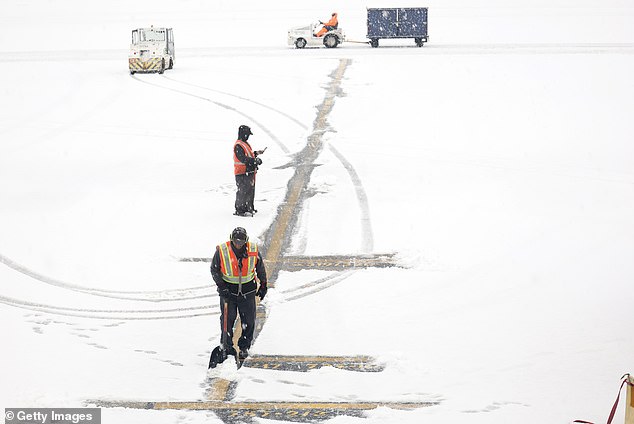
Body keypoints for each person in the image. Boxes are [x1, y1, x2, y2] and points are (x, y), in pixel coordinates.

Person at [210, 227, 267, 364]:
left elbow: (260, 268)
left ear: (245, 241)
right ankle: (227, 346)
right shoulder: (222, 251)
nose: (238, 244)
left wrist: (263, 285)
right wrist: (222, 286)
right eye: (236, 241)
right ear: (232, 239)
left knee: (249, 321)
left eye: (241, 242)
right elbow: (214, 269)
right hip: (228, 292)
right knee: (226, 321)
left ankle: (244, 346)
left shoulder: (253, 250)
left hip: (247, 292)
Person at [233, 125, 265, 217]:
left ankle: (249, 207)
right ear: (243, 134)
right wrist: (254, 161)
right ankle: (240, 210)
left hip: (249, 172)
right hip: (242, 172)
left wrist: (256, 153)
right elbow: (243, 158)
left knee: (250, 190)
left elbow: (248, 156)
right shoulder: (238, 145)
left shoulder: (245, 144)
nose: (248, 137)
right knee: (243, 191)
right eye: (247, 135)